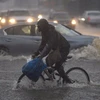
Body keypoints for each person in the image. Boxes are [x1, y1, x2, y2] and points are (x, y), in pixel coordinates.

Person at [32, 18, 72, 83]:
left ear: (43, 26)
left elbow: (49, 46)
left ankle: (68, 81)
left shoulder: (51, 32)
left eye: (39, 27)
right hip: (57, 49)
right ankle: (52, 78)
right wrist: (36, 53)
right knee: (47, 62)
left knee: (58, 66)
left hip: (63, 48)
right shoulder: (44, 32)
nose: (38, 28)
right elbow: (43, 44)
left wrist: (41, 55)